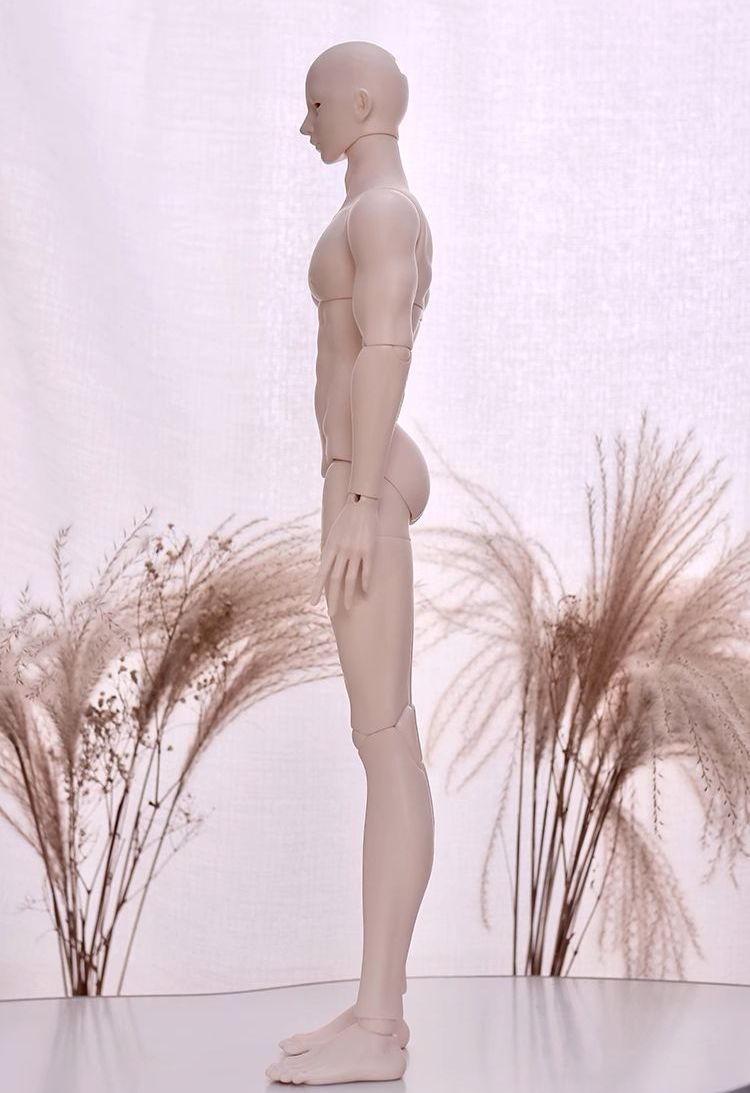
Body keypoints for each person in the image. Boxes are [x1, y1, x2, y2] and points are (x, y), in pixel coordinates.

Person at [265, 40, 436, 1085]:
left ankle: (380, 1024)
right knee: (380, 741)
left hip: (363, 482)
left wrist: (363, 502)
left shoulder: (384, 213)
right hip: (353, 475)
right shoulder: (368, 210)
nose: (306, 122)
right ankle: (373, 1009)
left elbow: (386, 349)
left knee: (387, 742)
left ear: (361, 103)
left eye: (317, 104)